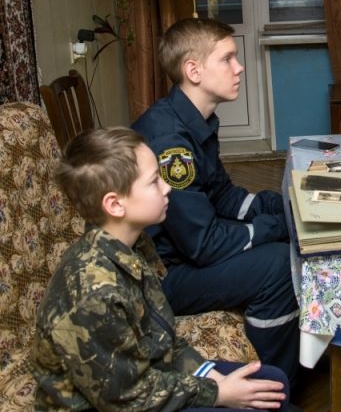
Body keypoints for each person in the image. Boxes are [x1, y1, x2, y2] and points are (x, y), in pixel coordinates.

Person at [32, 127, 292, 411]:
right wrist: (217, 393)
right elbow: (126, 397)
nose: (168, 187)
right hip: (121, 402)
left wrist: (210, 375)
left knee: (273, 382)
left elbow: (159, 335)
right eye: (154, 181)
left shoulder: (134, 245)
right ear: (115, 204)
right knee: (269, 401)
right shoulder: (94, 292)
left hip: (149, 374)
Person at [130, 18, 300, 385]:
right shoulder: (169, 141)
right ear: (193, 70)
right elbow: (203, 244)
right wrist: (278, 227)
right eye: (227, 58)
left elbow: (221, 193)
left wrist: (278, 206)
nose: (239, 67)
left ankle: (292, 351)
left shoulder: (194, 118)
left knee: (282, 227)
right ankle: (269, 381)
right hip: (162, 276)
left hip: (184, 251)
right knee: (277, 264)